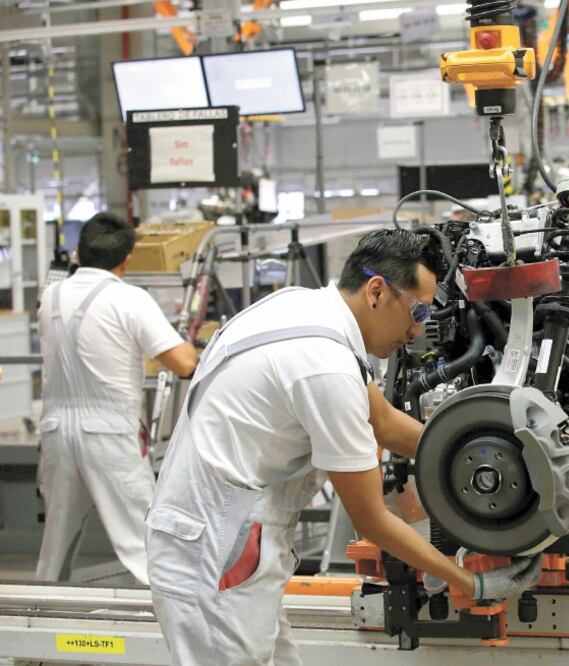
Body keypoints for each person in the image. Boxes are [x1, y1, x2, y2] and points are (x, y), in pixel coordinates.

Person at [146, 229, 541, 665]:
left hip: (226, 537)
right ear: (377, 291)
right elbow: (371, 519)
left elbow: (385, 423)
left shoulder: (305, 309)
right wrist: (470, 583)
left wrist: (490, 454)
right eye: (418, 310)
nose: (418, 328)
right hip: (216, 548)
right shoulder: (325, 368)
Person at [36, 213, 197, 584]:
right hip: (108, 433)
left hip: (56, 432)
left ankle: (42, 614)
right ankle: (168, 621)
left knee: (56, 541)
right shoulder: (129, 299)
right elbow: (183, 362)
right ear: (127, 258)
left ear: (79, 252)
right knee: (144, 539)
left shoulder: (50, 296)